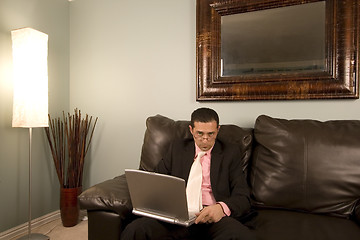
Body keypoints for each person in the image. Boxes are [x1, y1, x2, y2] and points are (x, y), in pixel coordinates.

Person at [121, 108, 255, 240]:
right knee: (136, 230)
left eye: (211, 134)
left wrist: (221, 208)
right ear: (191, 130)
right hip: (179, 217)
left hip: (213, 218)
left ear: (218, 130)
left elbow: (243, 196)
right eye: (200, 133)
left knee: (240, 235)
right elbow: (157, 181)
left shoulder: (230, 153)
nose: (205, 140)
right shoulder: (177, 148)